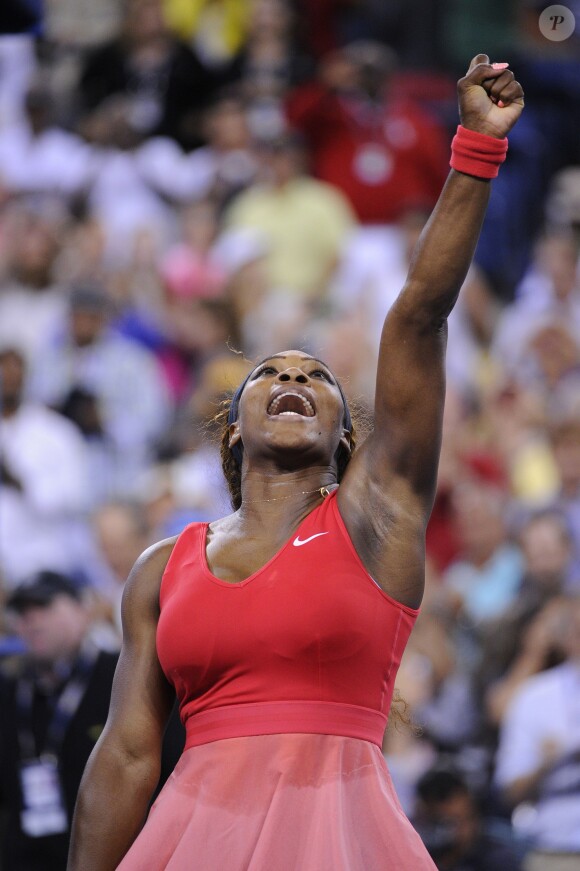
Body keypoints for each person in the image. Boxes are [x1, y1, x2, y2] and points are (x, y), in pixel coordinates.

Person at [68, 55, 524, 870]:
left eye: (316, 376)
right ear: (232, 428)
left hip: (343, 839)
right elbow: (128, 757)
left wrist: (475, 150)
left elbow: (418, 316)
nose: (291, 379)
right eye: (269, 373)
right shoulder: (159, 568)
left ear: (347, 435)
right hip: (191, 840)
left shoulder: (377, 515)